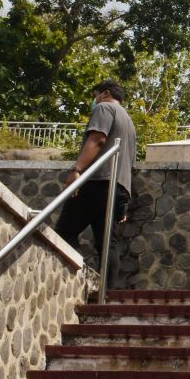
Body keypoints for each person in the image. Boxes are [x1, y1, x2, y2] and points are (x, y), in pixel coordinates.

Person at [54, 80, 137, 261]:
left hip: (97, 181)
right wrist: (123, 202)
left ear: (105, 93)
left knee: (64, 231)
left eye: (95, 96)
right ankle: (108, 288)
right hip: (119, 186)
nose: (95, 101)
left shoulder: (105, 108)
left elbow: (98, 139)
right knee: (107, 244)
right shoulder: (128, 122)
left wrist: (77, 170)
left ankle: (77, 276)